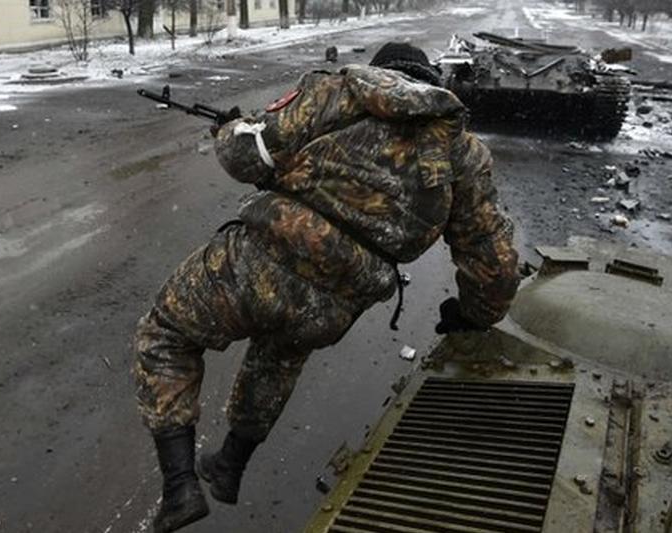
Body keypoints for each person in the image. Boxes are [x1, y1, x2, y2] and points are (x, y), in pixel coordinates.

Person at [133, 41, 520, 533]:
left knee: (165, 334)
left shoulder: (339, 93)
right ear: (430, 82)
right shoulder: (461, 152)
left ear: (382, 75)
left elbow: (243, 158)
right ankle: (229, 466)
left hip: (262, 260)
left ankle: (180, 487)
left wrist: (231, 129)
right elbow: (493, 254)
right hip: (336, 302)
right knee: (278, 356)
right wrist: (475, 313)